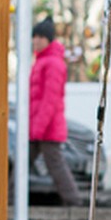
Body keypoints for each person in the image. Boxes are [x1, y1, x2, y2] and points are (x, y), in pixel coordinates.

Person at [29, 16, 82, 207]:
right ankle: (8, 196)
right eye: (34, 36)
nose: (35, 41)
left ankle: (73, 200)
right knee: (31, 162)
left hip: (46, 128)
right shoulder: (43, 61)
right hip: (40, 126)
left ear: (48, 39)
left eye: (39, 37)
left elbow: (49, 100)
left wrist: (38, 128)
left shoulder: (52, 63)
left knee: (55, 164)